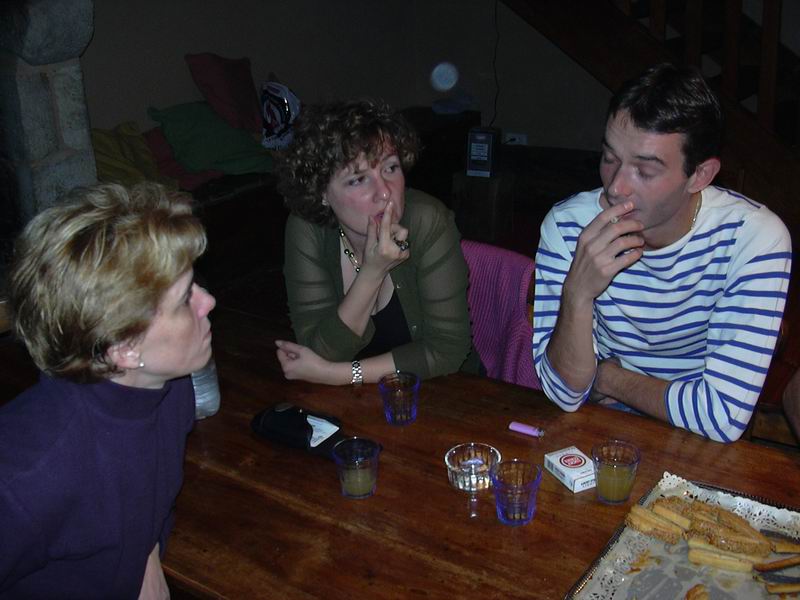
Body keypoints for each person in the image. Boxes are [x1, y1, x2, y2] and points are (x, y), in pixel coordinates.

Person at [532, 63, 792, 443]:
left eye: (645, 171)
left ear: (700, 175)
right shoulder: (567, 226)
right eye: (610, 158)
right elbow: (564, 393)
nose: (616, 187)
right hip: (601, 427)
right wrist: (577, 292)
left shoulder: (752, 239)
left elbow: (721, 417)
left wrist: (608, 377)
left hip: (697, 440)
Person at [0, 182, 215, 598]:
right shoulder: (28, 474)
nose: (208, 301)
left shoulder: (169, 390)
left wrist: (146, 551)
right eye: (185, 298)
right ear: (125, 348)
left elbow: (136, 490)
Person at [275, 99, 477, 385]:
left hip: (441, 389)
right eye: (358, 179)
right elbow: (319, 350)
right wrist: (372, 271)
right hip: (353, 402)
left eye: (390, 168)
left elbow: (447, 351)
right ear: (321, 193)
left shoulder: (428, 221)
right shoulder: (307, 229)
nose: (384, 192)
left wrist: (338, 375)